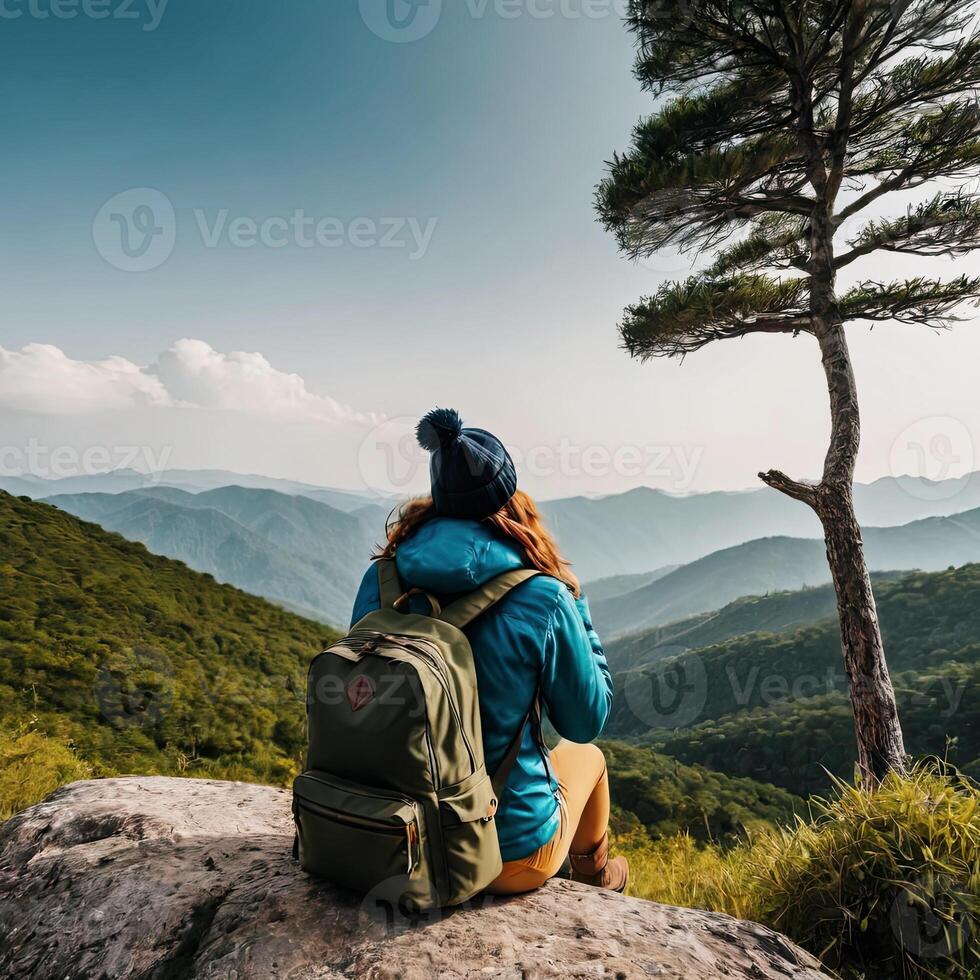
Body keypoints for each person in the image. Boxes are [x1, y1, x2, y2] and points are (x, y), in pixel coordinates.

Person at [350, 408, 628, 894]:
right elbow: (586, 720)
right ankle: (596, 878)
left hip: (389, 837)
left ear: (437, 493)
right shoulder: (544, 595)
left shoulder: (383, 577)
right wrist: (576, 608)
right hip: (503, 856)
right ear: (510, 495)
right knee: (591, 757)